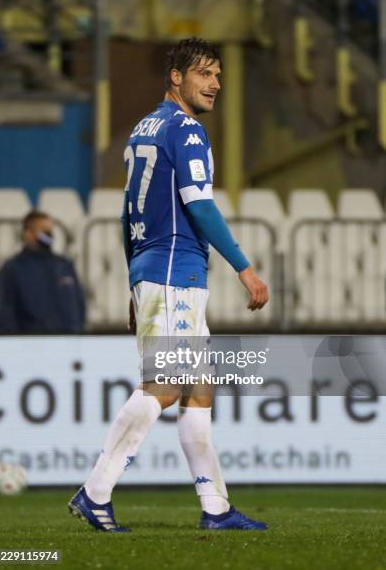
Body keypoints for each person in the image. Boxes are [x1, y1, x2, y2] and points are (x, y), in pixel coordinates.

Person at [69, 38, 269, 532]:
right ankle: (95, 492)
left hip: (154, 270)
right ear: (176, 77)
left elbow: (126, 212)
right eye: (204, 73)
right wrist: (244, 267)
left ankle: (216, 508)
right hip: (175, 270)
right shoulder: (187, 130)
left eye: (218, 74)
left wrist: (132, 279)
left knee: (198, 389)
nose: (215, 83)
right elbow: (199, 205)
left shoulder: (143, 128)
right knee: (169, 383)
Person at [0, 210, 85, 334]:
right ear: (28, 234)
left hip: (67, 345)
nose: (49, 234)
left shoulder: (65, 266)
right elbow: (4, 314)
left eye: (50, 230)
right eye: (43, 230)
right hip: (30, 347)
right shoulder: (12, 269)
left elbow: (79, 306)